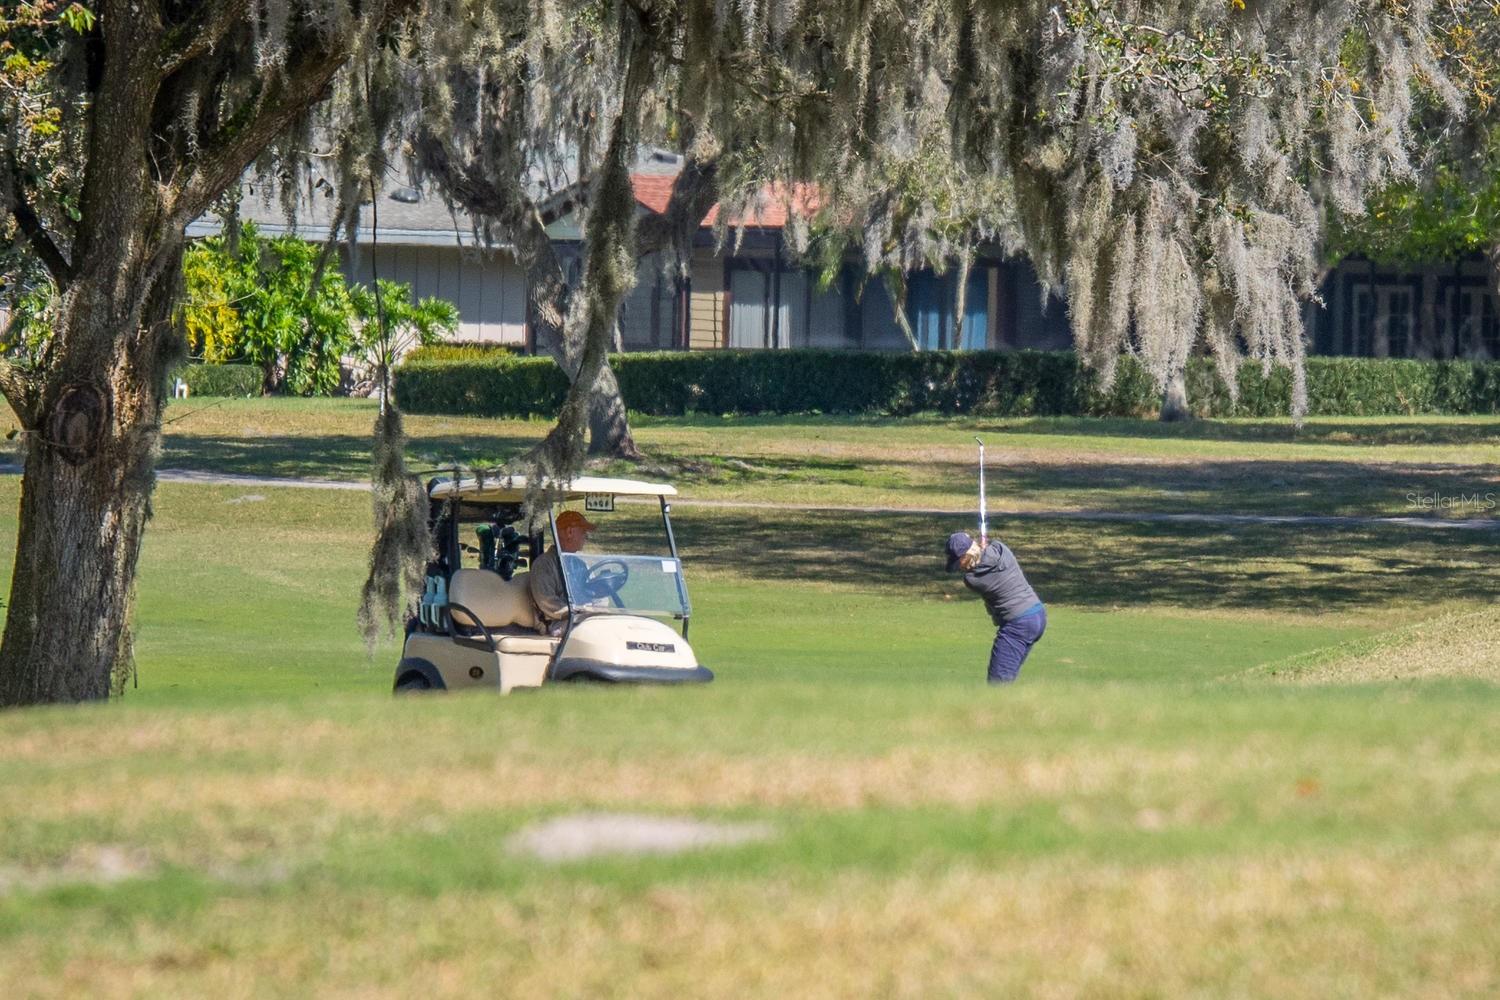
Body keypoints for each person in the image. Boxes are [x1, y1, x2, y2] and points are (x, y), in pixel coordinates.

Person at [945, 530, 1046, 684]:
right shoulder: (1001, 549)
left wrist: (980, 553)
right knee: (1007, 678)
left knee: (997, 683)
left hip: (1018, 624)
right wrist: (983, 550)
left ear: (968, 555)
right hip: (1037, 614)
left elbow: (978, 569)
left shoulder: (972, 580)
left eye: (960, 562)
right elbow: (990, 552)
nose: (960, 567)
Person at [529, 509, 596, 634]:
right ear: (569, 532)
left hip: (583, 618)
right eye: (583, 532)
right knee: (593, 631)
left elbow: (596, 594)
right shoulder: (544, 564)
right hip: (558, 623)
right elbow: (547, 601)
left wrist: (598, 606)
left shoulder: (580, 565)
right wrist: (579, 611)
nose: (585, 537)